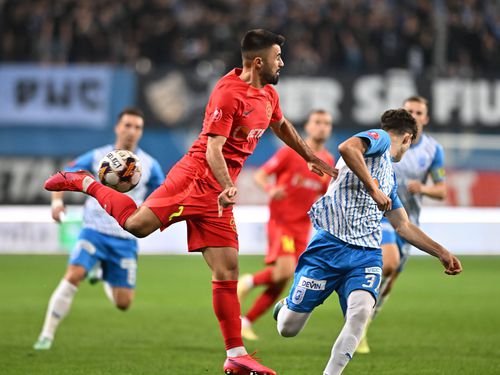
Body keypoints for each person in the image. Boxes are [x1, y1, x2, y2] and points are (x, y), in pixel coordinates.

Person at [43, 29, 337, 375]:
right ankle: (85, 181)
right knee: (137, 226)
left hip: (217, 195)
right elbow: (213, 148)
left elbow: (282, 125)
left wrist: (309, 157)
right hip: (194, 179)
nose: (282, 62)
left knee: (227, 269)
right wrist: (228, 186)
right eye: (277, 57)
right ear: (258, 62)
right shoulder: (228, 94)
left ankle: (236, 355)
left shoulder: (269, 95)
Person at [274, 109, 462, 375]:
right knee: (288, 328)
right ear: (407, 139)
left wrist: (441, 252)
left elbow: (403, 225)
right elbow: (347, 147)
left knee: (361, 313)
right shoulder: (380, 139)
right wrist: (373, 189)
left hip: (366, 254)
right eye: (408, 146)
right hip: (329, 246)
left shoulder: (389, 176)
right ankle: (285, 306)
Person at [34, 107, 164, 350]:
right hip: (94, 229)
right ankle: (46, 335)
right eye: (127, 125)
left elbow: (161, 195)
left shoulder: (149, 164)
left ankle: (103, 273)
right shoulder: (98, 157)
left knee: (123, 303)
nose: (132, 131)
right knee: (74, 274)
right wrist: (57, 202)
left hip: (125, 236)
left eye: (137, 127)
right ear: (117, 127)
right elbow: (65, 175)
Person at [356, 95, 447, 354]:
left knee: (391, 277)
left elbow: (441, 191)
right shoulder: (385, 143)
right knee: (390, 261)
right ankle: (358, 315)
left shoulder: (433, 150)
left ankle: (364, 322)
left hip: (410, 221)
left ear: (425, 119)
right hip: (381, 215)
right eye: (410, 111)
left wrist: (424, 189)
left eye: (419, 112)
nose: (415, 115)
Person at [238, 109, 334, 341]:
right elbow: (261, 175)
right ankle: (248, 282)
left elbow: (325, 195)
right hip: (281, 222)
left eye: (326, 123)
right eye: (317, 122)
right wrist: (271, 189)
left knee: (283, 278)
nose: (322, 126)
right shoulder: (291, 153)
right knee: (286, 270)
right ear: (308, 127)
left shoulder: (328, 161)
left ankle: (246, 321)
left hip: (302, 228)